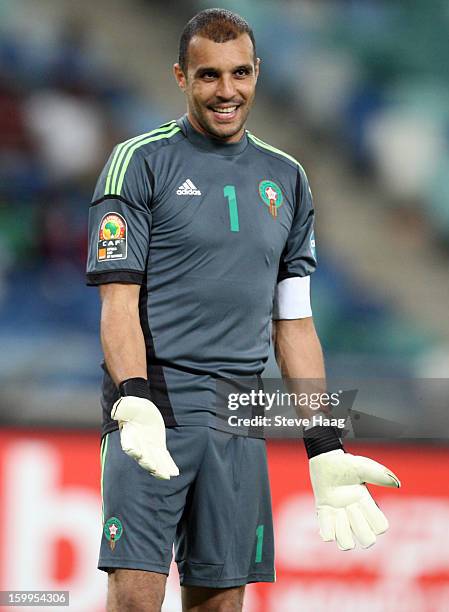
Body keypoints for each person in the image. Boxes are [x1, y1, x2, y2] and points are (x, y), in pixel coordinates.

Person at [87, 8, 400, 612]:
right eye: (208, 76)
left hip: (241, 409)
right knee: (134, 596)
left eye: (240, 74)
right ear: (180, 76)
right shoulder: (139, 162)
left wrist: (324, 442)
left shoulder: (288, 178)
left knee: (223, 601)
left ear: (258, 72)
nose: (226, 91)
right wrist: (132, 399)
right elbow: (118, 302)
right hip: (157, 407)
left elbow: (296, 322)